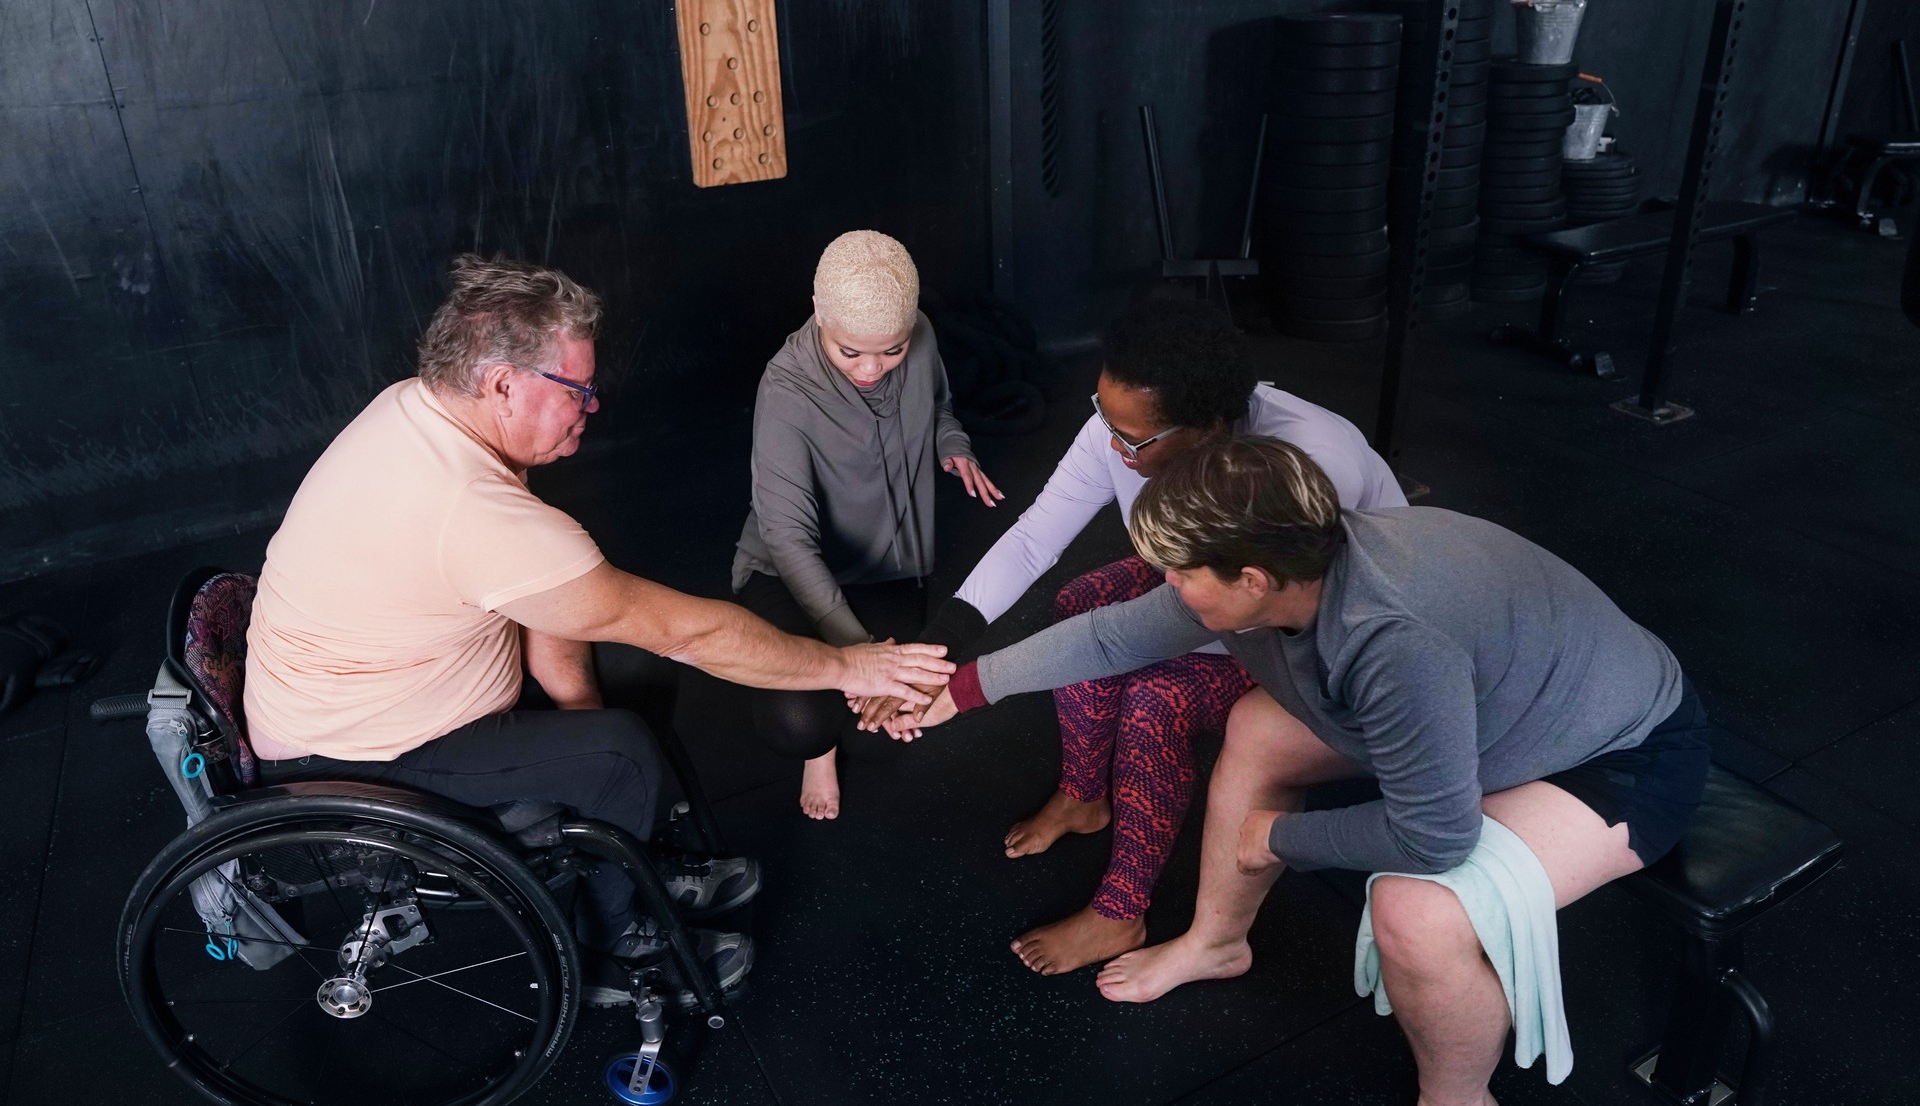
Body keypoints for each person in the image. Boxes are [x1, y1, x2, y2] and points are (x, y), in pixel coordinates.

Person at [895, 436, 1707, 1106]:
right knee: (1257, 726)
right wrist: (958, 692)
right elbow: (1111, 638)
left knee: (1415, 911)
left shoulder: (1390, 639)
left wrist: (1278, 836)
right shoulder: (1280, 566)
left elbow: (1435, 835)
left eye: (1183, 574)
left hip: (1618, 753)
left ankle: (1457, 1096)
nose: (1169, 588)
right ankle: (1217, 943)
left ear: (1251, 581)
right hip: (1489, 714)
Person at [242, 254, 952, 1006]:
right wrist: (849, 668)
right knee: (618, 754)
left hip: (379, 695)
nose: (592, 405)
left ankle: (627, 849)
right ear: (504, 384)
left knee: (632, 685)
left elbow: (543, 601)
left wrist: (581, 712)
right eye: (577, 389)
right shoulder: (466, 504)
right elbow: (694, 632)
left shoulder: (426, 411)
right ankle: (618, 944)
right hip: (359, 749)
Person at [859, 296, 1404, 976]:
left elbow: (1203, 621)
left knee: (1155, 698)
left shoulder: (1303, 467)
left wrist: (968, 689)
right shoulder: (1125, 426)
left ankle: (1121, 912)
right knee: (1079, 603)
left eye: (1134, 441)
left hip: (1316, 640)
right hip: (1215, 591)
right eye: (1103, 415)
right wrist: (930, 660)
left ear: (1209, 427)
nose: (1113, 446)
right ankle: (1086, 796)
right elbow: (1033, 541)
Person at [732, 230, 1001, 820]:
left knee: (883, 730)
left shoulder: (921, 335)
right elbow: (788, 537)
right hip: (790, 571)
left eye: (892, 351)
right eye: (850, 352)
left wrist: (953, 446)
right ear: (819, 314)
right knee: (802, 723)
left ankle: (842, 729)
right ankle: (818, 753)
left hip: (887, 567)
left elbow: (939, 410)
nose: (873, 369)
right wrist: (858, 655)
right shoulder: (784, 389)